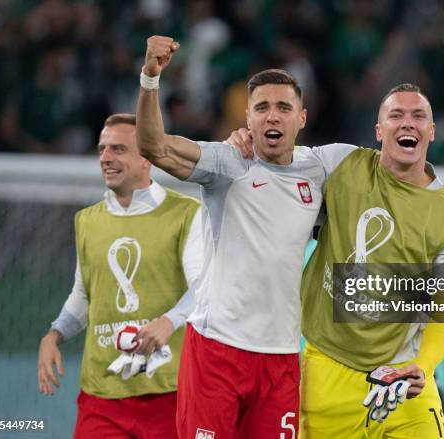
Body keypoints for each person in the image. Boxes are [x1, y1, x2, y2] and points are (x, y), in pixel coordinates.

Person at [228, 83, 444, 438]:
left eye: (418, 116)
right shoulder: (340, 165)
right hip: (327, 375)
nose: (408, 123)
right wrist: (250, 143)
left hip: (401, 381)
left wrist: (421, 366)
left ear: (431, 131)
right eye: (396, 115)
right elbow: (278, 158)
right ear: (378, 130)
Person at [136, 35, 336, 439]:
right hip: (216, 351)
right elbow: (154, 147)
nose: (272, 116)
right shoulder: (228, 162)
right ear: (247, 117)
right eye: (262, 108)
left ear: (302, 118)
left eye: (284, 108)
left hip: (280, 359)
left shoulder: (319, 171)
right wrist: (150, 79)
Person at [37, 113, 203, 439]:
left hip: (170, 393)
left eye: (118, 149)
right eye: (101, 149)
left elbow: (203, 289)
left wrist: (168, 321)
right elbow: (84, 294)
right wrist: (54, 334)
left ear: (147, 158)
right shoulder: (86, 221)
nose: (105, 158)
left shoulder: (187, 213)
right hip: (102, 395)